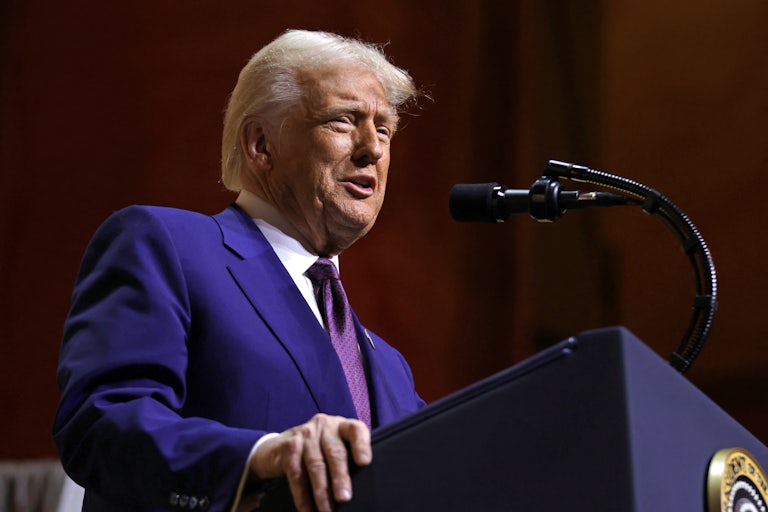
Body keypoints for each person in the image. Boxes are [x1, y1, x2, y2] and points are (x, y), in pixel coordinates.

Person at [53, 29, 425, 512]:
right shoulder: (166, 245)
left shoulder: (390, 369)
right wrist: (258, 458)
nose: (372, 148)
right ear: (260, 145)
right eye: (343, 120)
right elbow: (101, 423)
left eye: (383, 129)